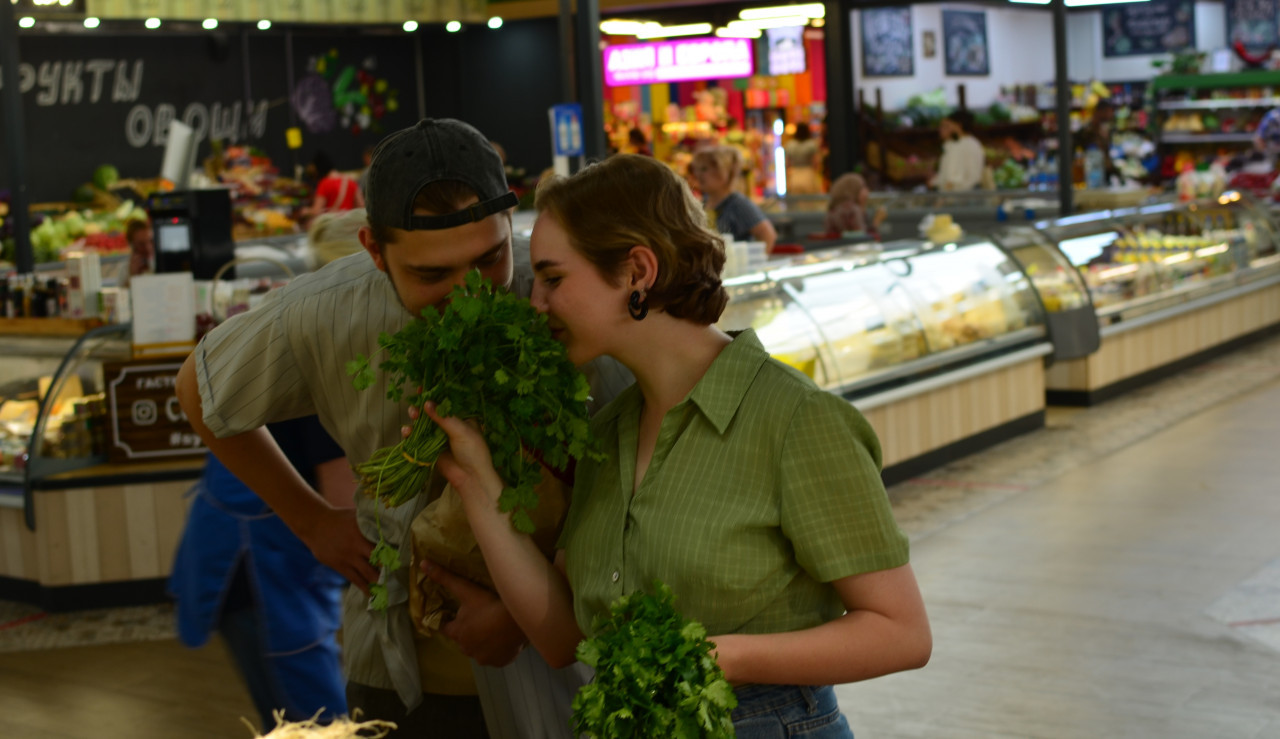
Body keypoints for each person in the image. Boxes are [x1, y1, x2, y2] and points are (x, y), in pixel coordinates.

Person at [421, 154, 932, 737]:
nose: (535, 302)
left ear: (638, 271)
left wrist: (726, 658)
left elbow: (902, 632)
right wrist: (473, 476)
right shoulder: (608, 432)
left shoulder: (796, 420)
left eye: (554, 278)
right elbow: (562, 639)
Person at [174, 118, 633, 739]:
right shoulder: (324, 312)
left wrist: (535, 610)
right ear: (372, 248)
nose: (470, 292)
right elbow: (197, 393)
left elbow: (636, 487)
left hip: (566, 669)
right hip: (395, 670)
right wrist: (309, 519)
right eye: (431, 275)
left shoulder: (565, 291)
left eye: (489, 258)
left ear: (511, 220)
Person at [168, 416, 354, 731]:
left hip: (271, 558)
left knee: (300, 720)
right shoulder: (315, 394)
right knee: (317, 722)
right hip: (257, 567)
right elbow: (346, 507)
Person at [690, 146, 777, 254]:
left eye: (704, 169)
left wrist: (753, 263)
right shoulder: (702, 203)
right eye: (696, 169)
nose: (698, 174)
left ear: (724, 171)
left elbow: (768, 235)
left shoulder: (738, 204)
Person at [932, 109, 985, 191]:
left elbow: (952, 180)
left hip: (957, 197)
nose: (941, 130)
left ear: (958, 126)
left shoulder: (958, 146)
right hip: (967, 194)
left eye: (947, 126)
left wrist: (941, 201)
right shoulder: (974, 143)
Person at [824, 173, 887, 239]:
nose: (867, 192)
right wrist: (877, 221)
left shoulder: (834, 208)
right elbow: (863, 239)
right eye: (862, 187)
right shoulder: (852, 210)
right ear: (853, 189)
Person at [307, 150, 360, 217]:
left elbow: (316, 211)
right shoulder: (350, 181)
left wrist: (305, 211)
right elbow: (361, 206)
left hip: (333, 225)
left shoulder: (324, 183)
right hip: (349, 224)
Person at [783, 122, 822, 195]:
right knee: (810, 202)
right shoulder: (812, 144)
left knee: (796, 201)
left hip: (794, 176)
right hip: (808, 174)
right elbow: (816, 163)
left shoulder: (790, 145)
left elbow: (787, 164)